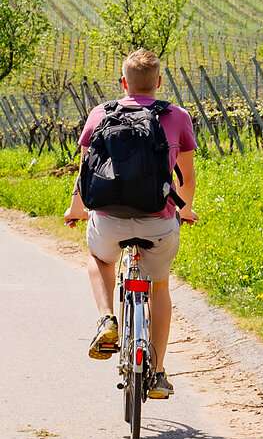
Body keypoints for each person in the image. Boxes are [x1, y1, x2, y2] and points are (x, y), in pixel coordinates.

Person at [63, 48, 198, 399]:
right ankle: (157, 371)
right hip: (158, 221)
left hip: (109, 220)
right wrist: (185, 209)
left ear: (123, 82)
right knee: (160, 286)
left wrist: (75, 210)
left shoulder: (100, 114)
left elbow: (85, 174)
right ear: (159, 82)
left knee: (100, 259)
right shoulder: (177, 116)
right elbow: (187, 179)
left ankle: (108, 318)